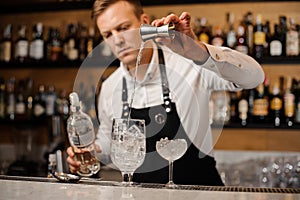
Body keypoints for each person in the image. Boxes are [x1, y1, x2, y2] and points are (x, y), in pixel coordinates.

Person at [67, 0, 264, 186]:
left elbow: (254, 77)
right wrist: (93, 152)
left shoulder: (189, 64)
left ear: (144, 23)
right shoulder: (110, 87)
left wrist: (198, 52)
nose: (117, 40)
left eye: (123, 28)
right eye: (108, 35)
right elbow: (110, 142)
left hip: (202, 193)